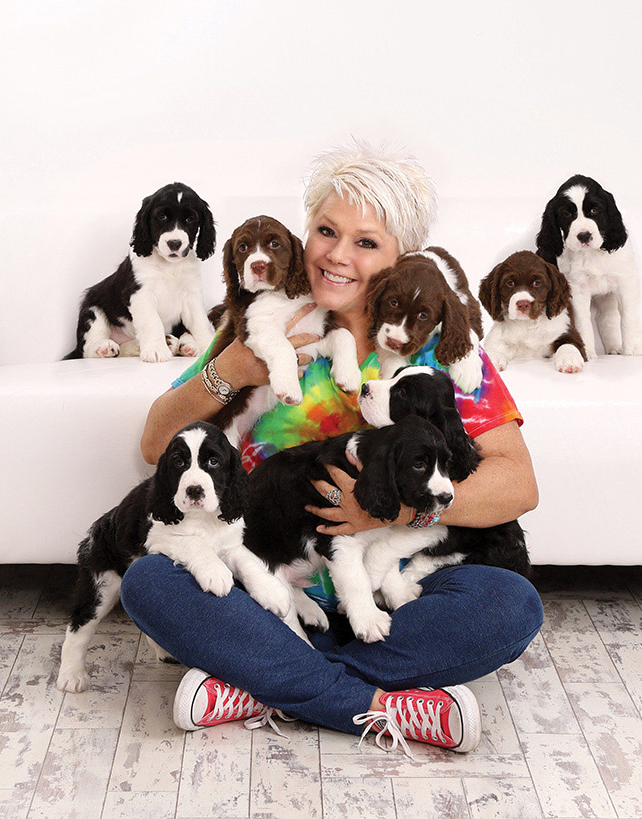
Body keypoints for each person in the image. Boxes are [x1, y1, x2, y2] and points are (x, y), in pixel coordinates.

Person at [122, 143, 543, 755]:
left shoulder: (438, 348)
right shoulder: (268, 324)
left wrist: (395, 511)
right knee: (151, 583)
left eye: (366, 243)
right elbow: (154, 442)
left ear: (402, 258)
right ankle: (377, 703)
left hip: (387, 595)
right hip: (266, 587)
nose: (338, 256)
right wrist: (232, 370)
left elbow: (518, 484)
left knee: (509, 604)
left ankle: (263, 682)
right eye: (326, 231)